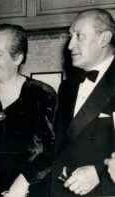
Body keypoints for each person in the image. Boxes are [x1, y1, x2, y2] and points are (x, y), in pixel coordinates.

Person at [0, 23, 57, 197]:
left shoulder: (42, 94)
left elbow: (51, 151)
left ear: (18, 58)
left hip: (26, 189)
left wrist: (25, 180)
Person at [51, 8, 115, 196]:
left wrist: (98, 172)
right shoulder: (66, 87)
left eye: (79, 36)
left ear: (104, 39)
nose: (70, 45)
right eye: (70, 36)